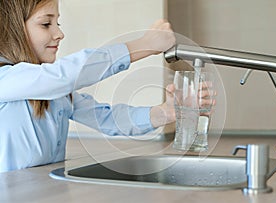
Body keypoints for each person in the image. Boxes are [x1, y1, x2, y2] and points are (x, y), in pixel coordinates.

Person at [0, 0, 177, 172]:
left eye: (57, 22)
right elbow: (64, 75)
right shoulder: (5, 79)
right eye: (46, 24)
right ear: (15, 29)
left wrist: (166, 112)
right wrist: (143, 45)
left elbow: (107, 118)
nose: (59, 33)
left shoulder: (56, 91)